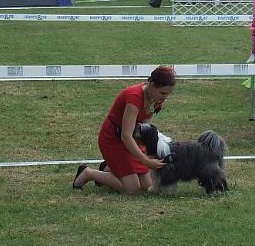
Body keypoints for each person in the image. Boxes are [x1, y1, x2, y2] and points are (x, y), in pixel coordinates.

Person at [71, 66, 176, 194]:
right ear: (152, 85)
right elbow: (125, 136)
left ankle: (108, 169)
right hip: (114, 140)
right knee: (131, 188)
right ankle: (88, 173)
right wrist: (146, 161)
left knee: (147, 184)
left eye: (168, 94)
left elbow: (143, 128)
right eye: (163, 93)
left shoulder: (155, 98)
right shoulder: (134, 97)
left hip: (132, 138)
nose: (165, 97)